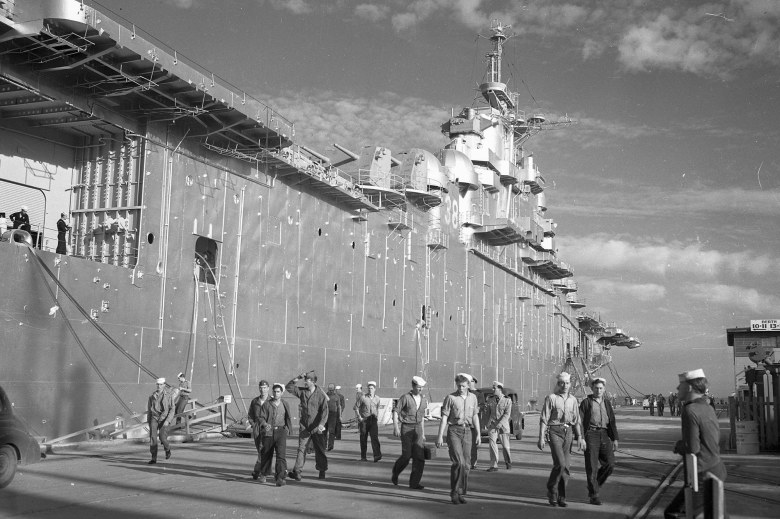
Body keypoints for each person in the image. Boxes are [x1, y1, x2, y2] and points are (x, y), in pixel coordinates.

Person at [664, 369, 727, 519]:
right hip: (715, 468)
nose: (678, 389)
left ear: (690, 387)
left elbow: (693, 447)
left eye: (681, 385)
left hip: (702, 473)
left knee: (673, 513)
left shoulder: (690, 409)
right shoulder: (707, 406)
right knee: (717, 514)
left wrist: (678, 446)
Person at [538, 372, 585, 507]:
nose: (565, 385)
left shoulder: (573, 400)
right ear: (558, 384)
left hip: (568, 432)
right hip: (554, 431)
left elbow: (576, 421)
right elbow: (544, 419)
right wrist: (541, 437)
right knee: (560, 463)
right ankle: (552, 490)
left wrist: (580, 438)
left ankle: (561, 497)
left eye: (567, 383)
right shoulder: (551, 398)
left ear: (570, 384)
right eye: (562, 383)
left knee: (566, 467)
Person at [436, 373, 481, 505]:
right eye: (458, 385)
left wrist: (478, 434)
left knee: (467, 464)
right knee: (459, 462)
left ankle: (460, 492)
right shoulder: (451, 398)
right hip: (454, 431)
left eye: (463, 385)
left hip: (468, 431)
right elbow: (444, 417)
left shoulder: (473, 398)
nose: (460, 388)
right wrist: (440, 436)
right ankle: (454, 492)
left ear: (468, 385)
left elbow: (475, 416)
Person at [579, 377, 619, 506]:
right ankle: (594, 495)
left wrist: (615, 438)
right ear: (592, 388)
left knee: (610, 463)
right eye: (596, 388)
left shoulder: (607, 403)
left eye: (601, 388)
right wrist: (581, 438)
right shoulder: (586, 402)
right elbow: (579, 421)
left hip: (604, 433)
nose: (599, 390)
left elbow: (612, 421)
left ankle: (593, 485)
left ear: (604, 389)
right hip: (590, 434)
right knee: (592, 466)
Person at [286, 371, 329, 480]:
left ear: (313, 382)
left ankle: (322, 470)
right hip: (305, 426)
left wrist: (321, 424)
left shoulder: (320, 395)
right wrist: (298, 377)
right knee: (301, 449)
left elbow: (325, 411)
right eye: (305, 380)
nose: (305, 382)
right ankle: (297, 471)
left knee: (320, 449)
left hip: (316, 427)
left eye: (307, 380)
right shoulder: (302, 392)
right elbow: (289, 387)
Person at [391, 376, 428, 490]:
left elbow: (421, 418)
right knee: (406, 456)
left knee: (419, 457)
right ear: (413, 386)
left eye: (422, 387)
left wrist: (422, 433)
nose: (420, 389)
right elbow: (396, 412)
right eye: (418, 387)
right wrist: (396, 427)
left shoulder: (423, 399)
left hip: (418, 428)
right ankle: (396, 472)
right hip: (406, 428)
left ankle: (414, 483)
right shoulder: (405, 397)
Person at [256, 383, 293, 486]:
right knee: (267, 454)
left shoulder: (285, 404)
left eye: (278, 392)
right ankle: (264, 473)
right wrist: (265, 424)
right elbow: (260, 417)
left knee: (281, 455)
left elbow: (288, 417)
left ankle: (280, 478)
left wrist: (288, 429)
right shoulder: (267, 404)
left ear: (281, 393)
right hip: (269, 432)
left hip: (281, 432)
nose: (276, 393)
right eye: (274, 391)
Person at [486, 381, 512, 472]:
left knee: (505, 446)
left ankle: (508, 462)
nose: (493, 389)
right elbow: (488, 412)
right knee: (492, 445)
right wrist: (486, 423)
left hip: (503, 426)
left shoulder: (507, 400)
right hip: (492, 425)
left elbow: (507, 414)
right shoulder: (490, 399)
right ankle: (494, 465)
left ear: (500, 389)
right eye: (492, 387)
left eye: (494, 388)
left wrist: (500, 424)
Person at [147, 377, 174, 464]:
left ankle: (167, 449)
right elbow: (149, 410)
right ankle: (153, 458)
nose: (159, 386)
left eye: (161, 384)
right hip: (154, 418)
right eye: (158, 384)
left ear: (164, 385)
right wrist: (149, 421)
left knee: (162, 437)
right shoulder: (152, 396)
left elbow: (172, 409)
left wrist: (168, 420)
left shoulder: (169, 395)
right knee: (153, 438)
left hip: (164, 418)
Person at [248, 380, 271, 479]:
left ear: (268, 388)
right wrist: (253, 424)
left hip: (267, 429)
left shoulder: (272, 401)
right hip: (257, 429)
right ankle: (259, 470)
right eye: (261, 387)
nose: (263, 390)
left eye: (265, 388)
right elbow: (250, 415)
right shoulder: (255, 401)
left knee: (263, 450)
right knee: (260, 450)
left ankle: (259, 471)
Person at [354, 380, 382, 462]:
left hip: (373, 420)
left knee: (374, 438)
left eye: (372, 388)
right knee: (363, 438)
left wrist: (377, 417)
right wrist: (359, 418)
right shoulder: (363, 397)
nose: (370, 390)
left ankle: (377, 455)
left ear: (375, 389)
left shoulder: (377, 398)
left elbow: (377, 408)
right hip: (364, 421)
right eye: (369, 388)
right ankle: (363, 457)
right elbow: (355, 407)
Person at [325, 383, 343, 451]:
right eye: (330, 390)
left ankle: (330, 446)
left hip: (333, 415)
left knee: (331, 431)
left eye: (332, 390)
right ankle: (324, 445)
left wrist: (340, 416)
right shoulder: (325, 396)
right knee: (324, 431)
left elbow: (339, 406)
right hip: (325, 414)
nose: (331, 391)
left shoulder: (336, 397)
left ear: (334, 390)